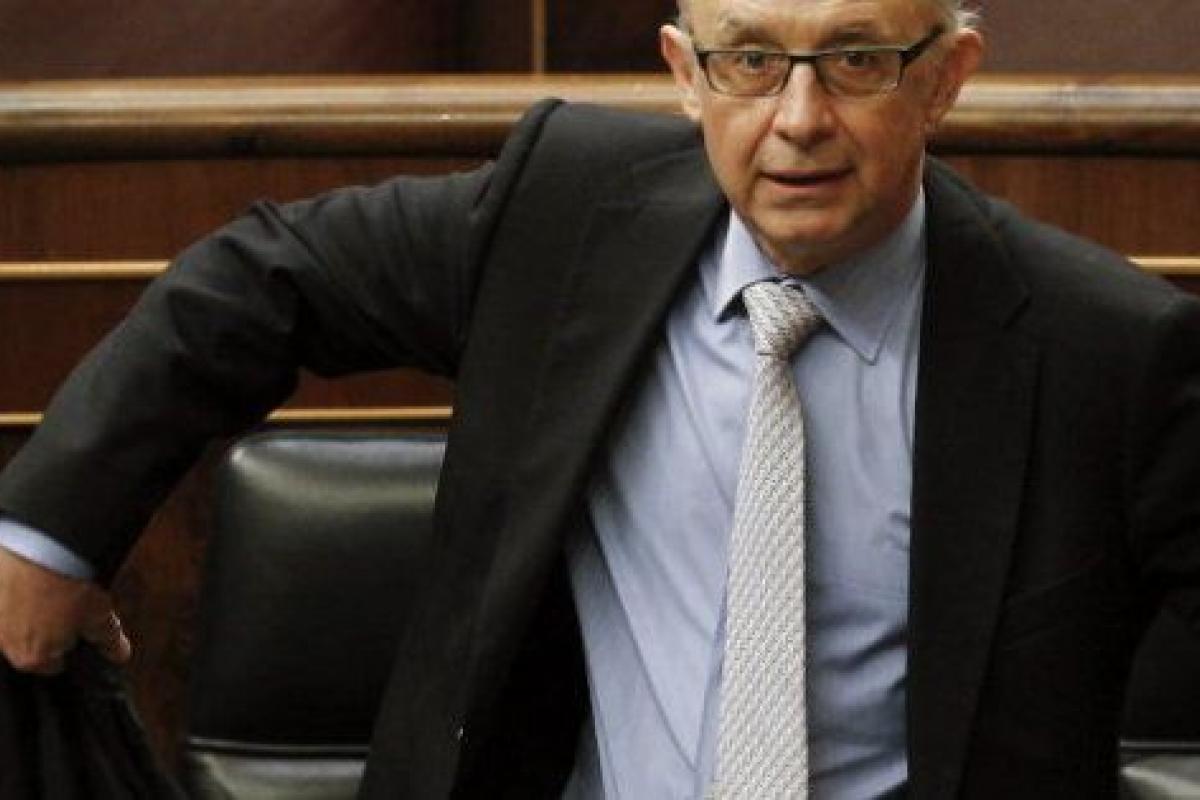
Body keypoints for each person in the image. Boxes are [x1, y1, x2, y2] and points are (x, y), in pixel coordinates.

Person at [0, 0, 1197, 796]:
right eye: (747, 60)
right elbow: (269, 277)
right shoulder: (565, 219)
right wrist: (46, 530)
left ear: (945, 79)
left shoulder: (1106, 351)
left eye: (856, 61)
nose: (797, 121)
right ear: (685, 75)